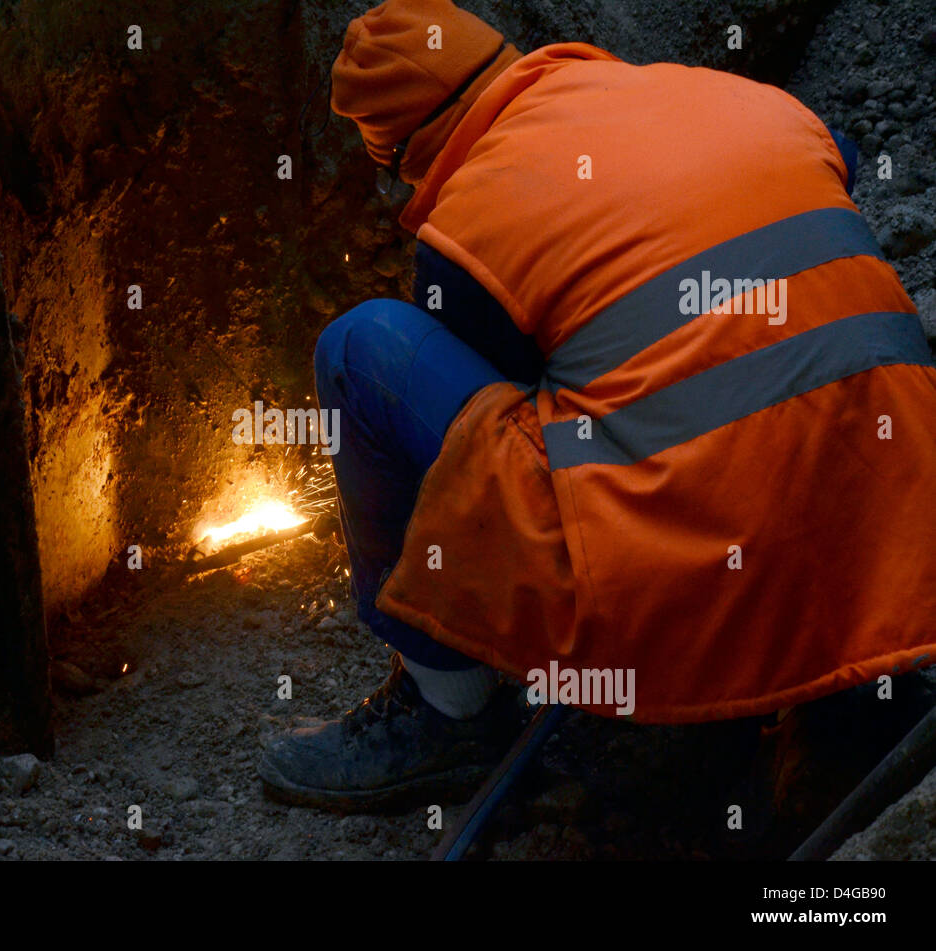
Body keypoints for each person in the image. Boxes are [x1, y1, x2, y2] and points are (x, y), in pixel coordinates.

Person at [258, 0, 936, 814]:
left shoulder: (466, 228)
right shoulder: (720, 95)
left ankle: (450, 711)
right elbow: (837, 169)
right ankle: (839, 689)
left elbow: (509, 404)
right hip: (900, 509)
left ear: (402, 150)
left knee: (359, 349)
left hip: (694, 559)